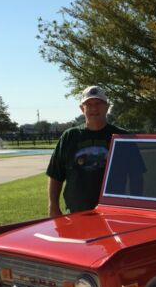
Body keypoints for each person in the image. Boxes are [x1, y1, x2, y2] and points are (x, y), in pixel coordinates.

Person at [46, 85, 142, 216]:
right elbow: (55, 175)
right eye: (89, 104)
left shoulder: (123, 138)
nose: (94, 108)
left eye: (98, 103)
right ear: (82, 108)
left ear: (107, 107)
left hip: (115, 213)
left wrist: (137, 208)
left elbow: (137, 176)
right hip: (77, 214)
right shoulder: (69, 137)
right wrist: (53, 206)